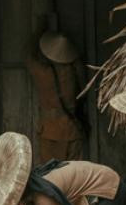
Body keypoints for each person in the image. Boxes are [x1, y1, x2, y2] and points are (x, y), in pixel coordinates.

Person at [26, 25, 88, 161]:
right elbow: (84, 88)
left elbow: (30, 57)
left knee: (50, 176)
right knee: (74, 176)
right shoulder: (75, 71)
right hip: (73, 130)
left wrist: (39, 29)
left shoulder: (43, 73)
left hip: (50, 132)